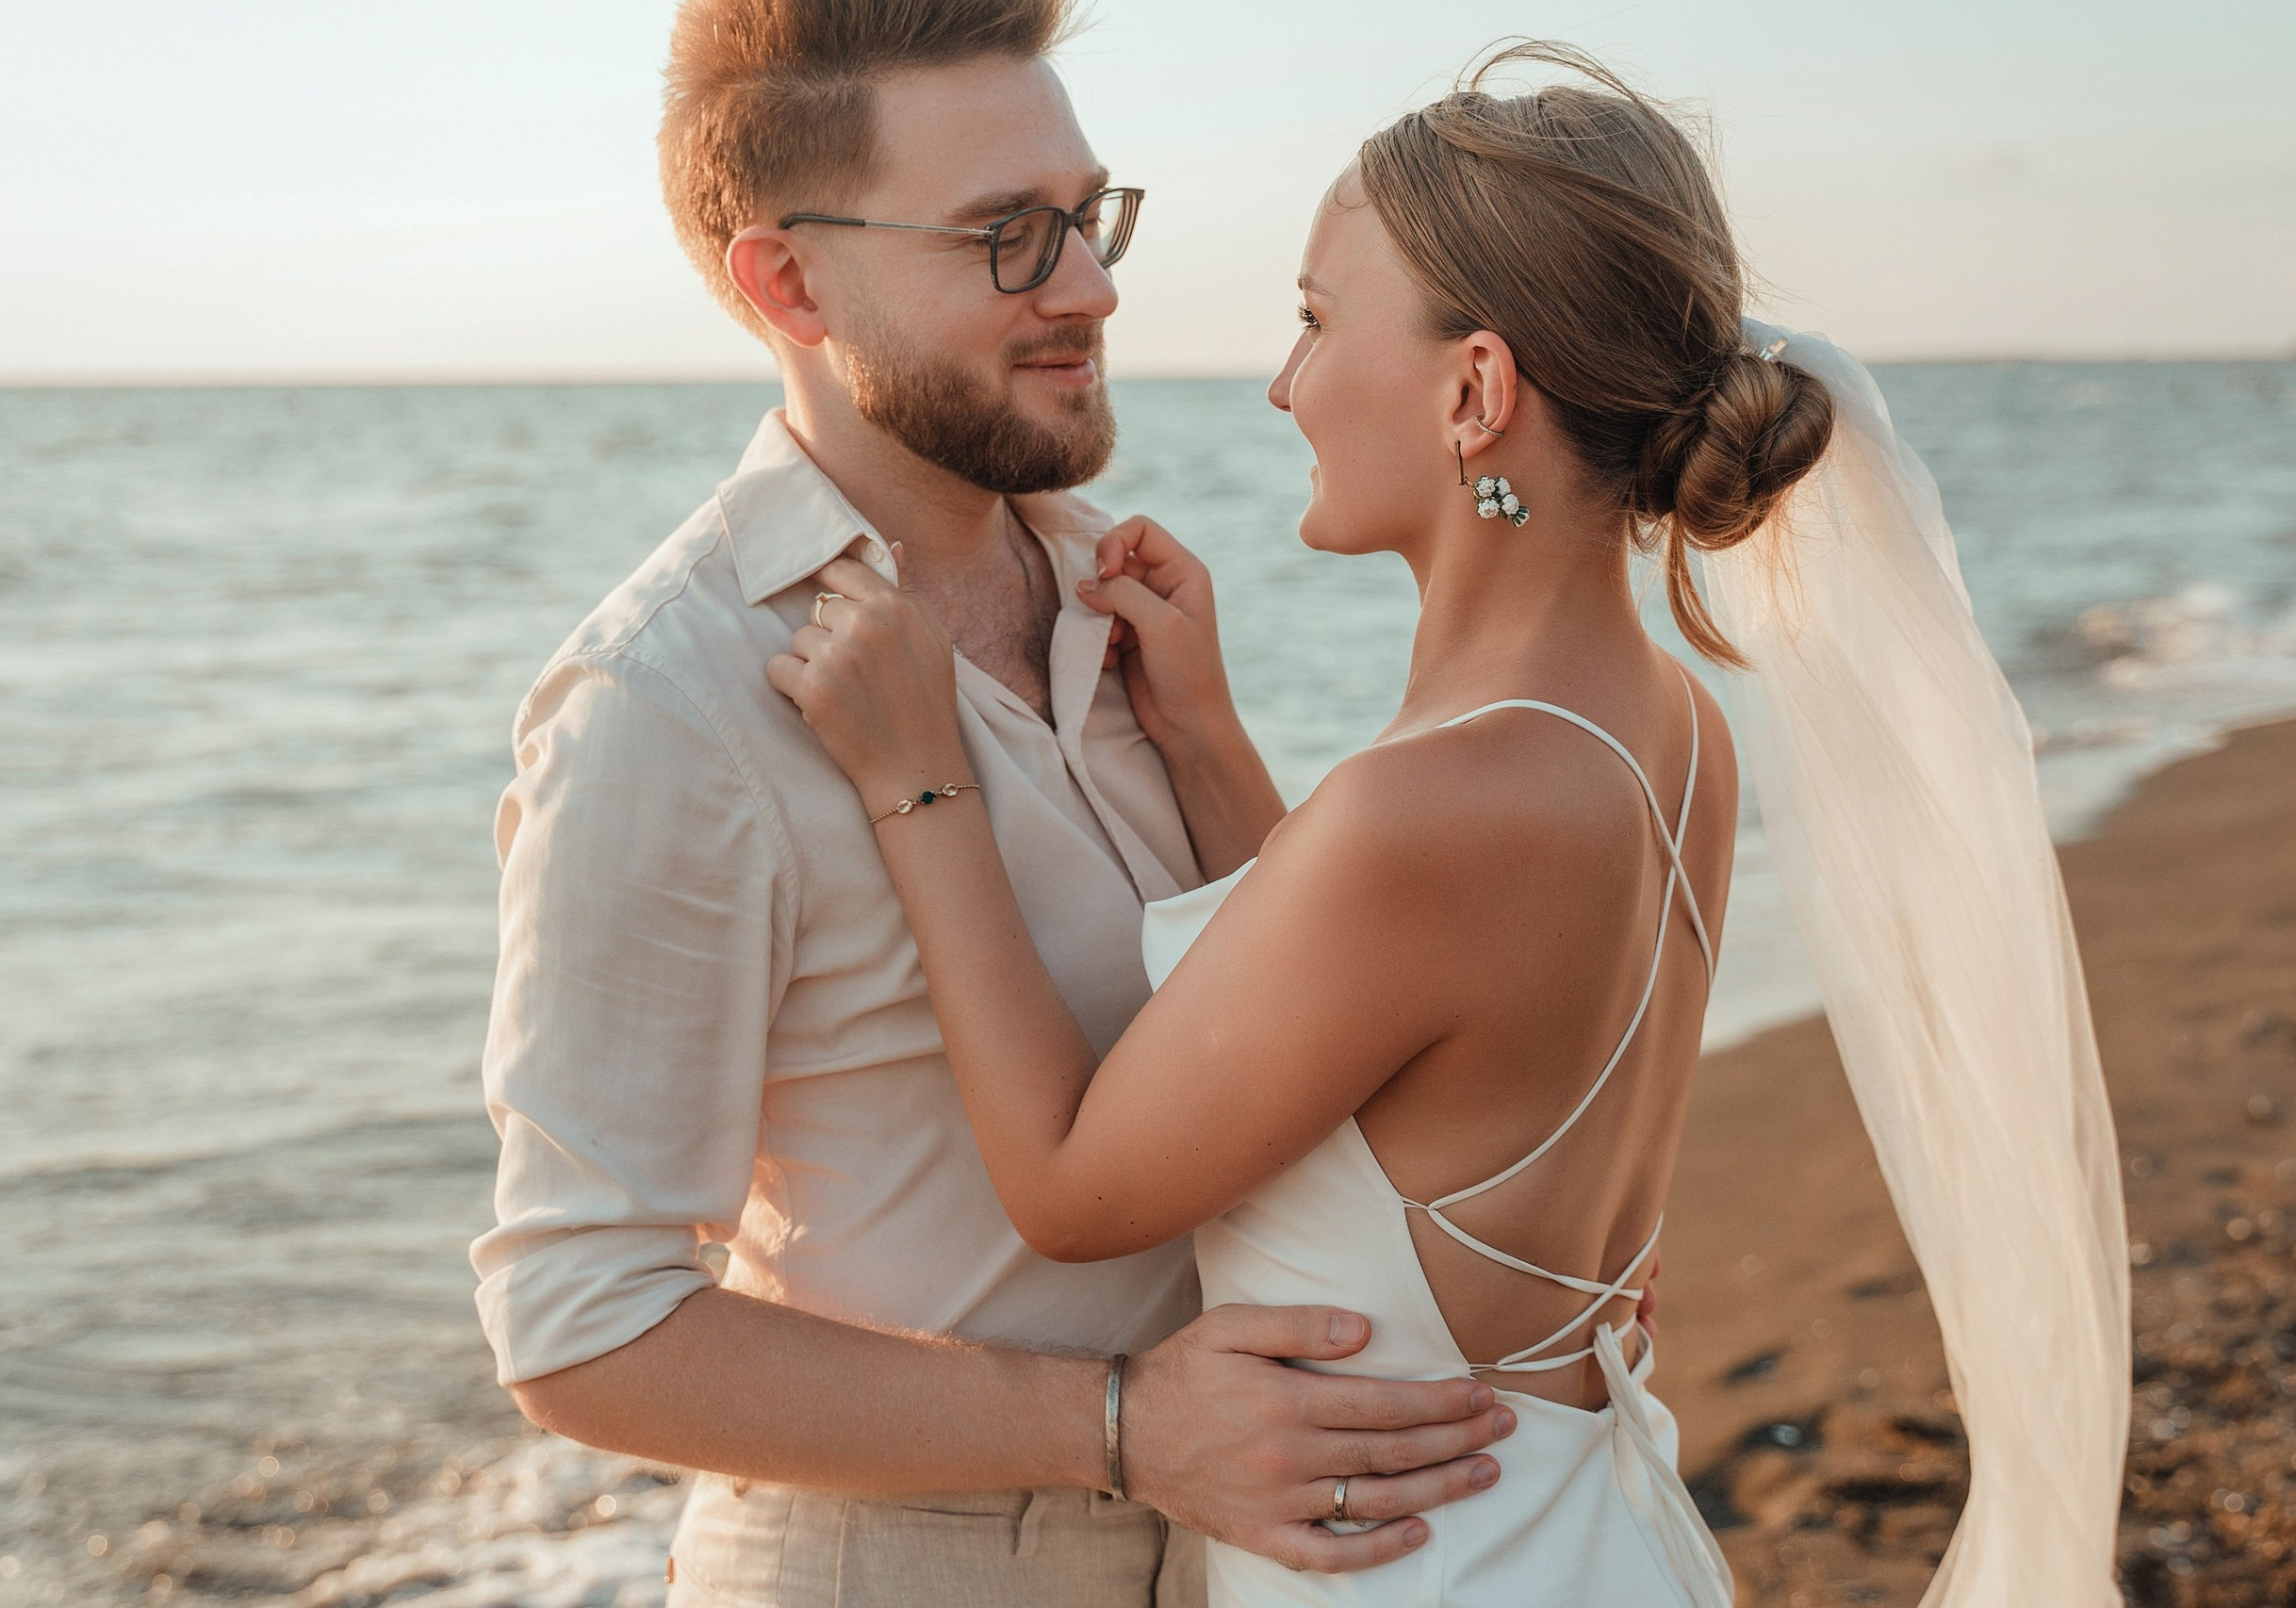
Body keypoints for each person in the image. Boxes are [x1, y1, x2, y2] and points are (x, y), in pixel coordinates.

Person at [770, 41, 2132, 1608]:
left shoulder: (1424, 813)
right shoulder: (1665, 727)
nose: (1282, 384)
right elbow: (1381, 1047)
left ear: (1475, 391)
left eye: (1314, 321)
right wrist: (1204, 736)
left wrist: (920, 779)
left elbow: (1073, 1188)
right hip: (1574, 1528)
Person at [468, 4, 1524, 1605]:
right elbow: (580, 1328)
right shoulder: (667, 703)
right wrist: (1117, 1424)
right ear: (790, 283)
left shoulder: (1128, 601)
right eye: (1007, 236)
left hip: (1248, 1554)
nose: (1091, 286)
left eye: (1088, 217)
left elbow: (1303, 1048)